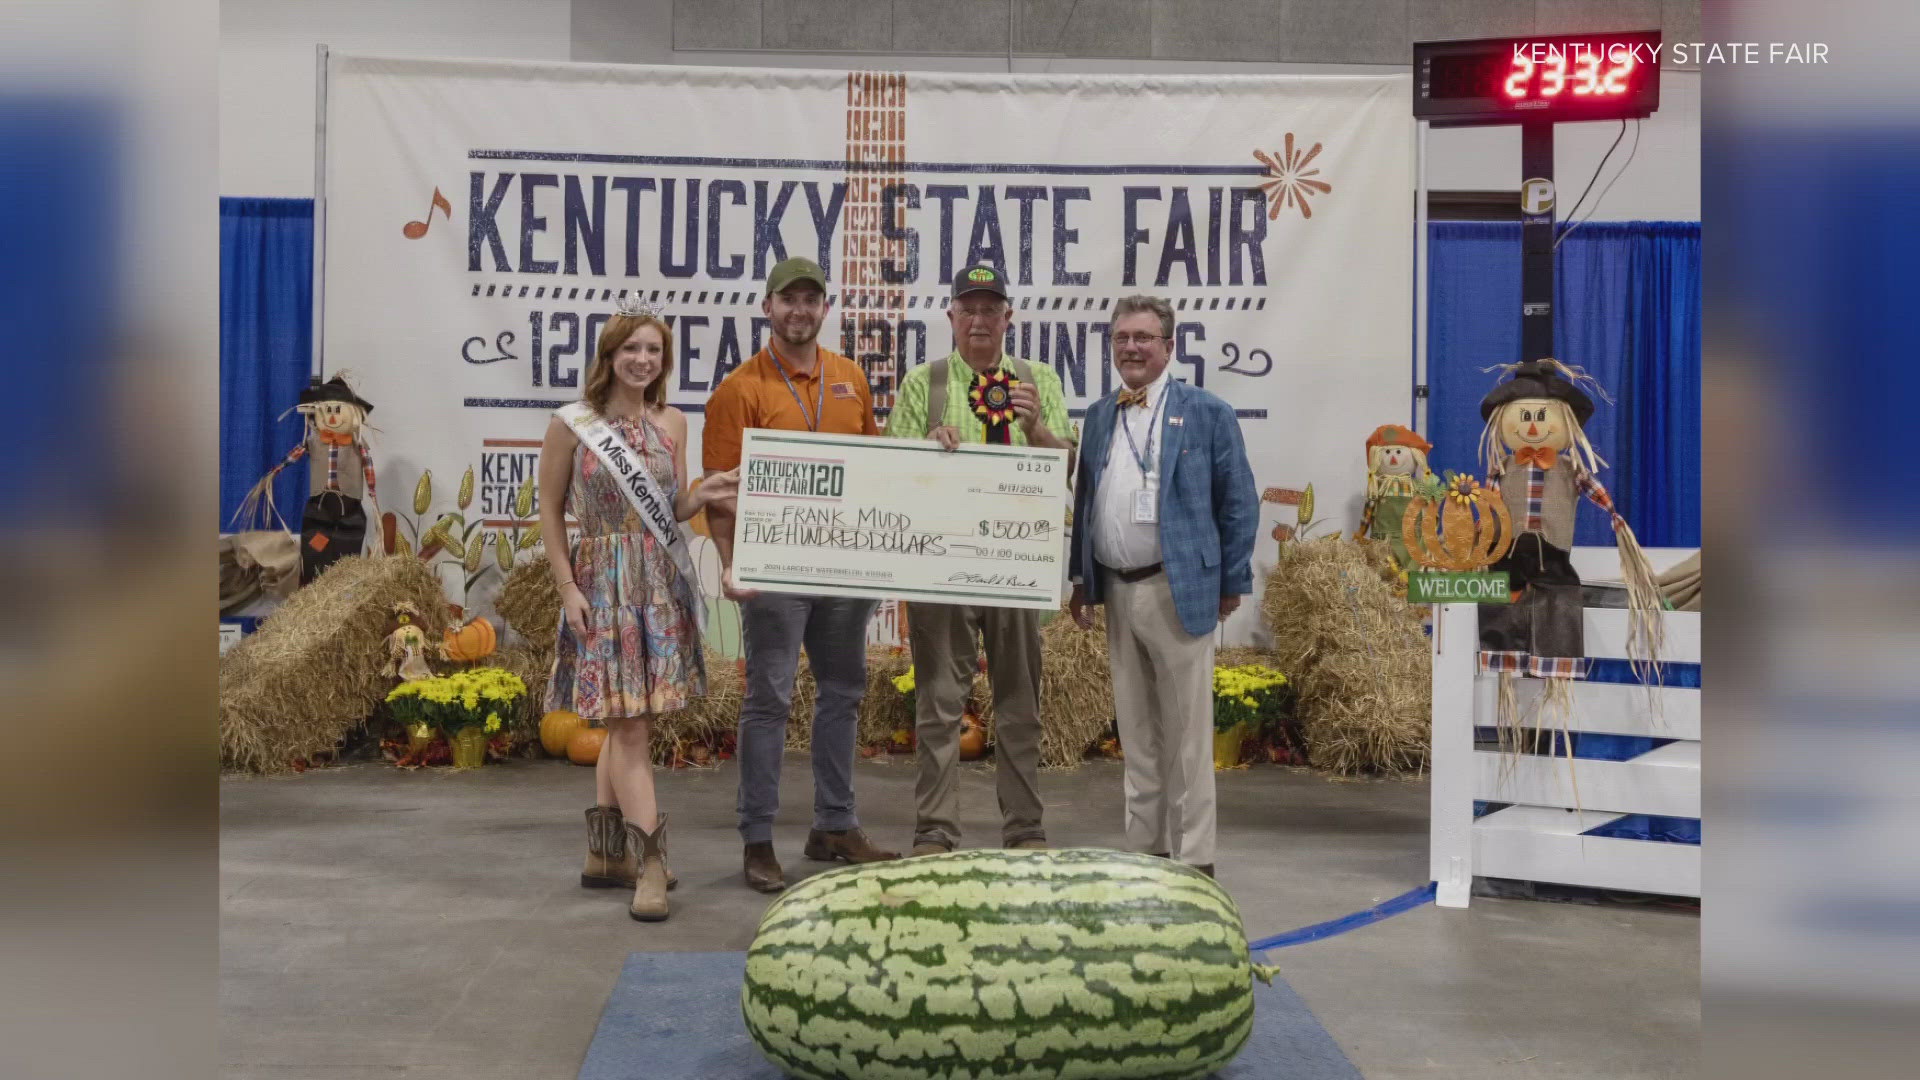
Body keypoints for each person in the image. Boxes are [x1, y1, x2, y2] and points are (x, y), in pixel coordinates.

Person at [701, 256, 901, 892]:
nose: (800, 311)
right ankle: (757, 840)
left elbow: (872, 464)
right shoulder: (739, 389)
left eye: (811, 300)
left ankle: (834, 825)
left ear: (824, 308)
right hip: (776, 570)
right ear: (768, 308)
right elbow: (720, 492)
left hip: (844, 567)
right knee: (769, 700)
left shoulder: (848, 377)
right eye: (789, 300)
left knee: (843, 692)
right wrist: (731, 564)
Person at [539, 299, 738, 922]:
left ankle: (606, 856)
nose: (643, 359)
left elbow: (669, 509)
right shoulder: (573, 423)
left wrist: (698, 496)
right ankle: (650, 863)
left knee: (634, 716)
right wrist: (568, 586)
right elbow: (549, 510)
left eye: (654, 351)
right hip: (602, 582)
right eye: (632, 349)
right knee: (628, 725)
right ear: (610, 356)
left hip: (657, 583)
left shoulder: (673, 423)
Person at [883, 262, 1076, 857]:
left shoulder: (1037, 379)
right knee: (940, 704)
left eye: (991, 309)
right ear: (951, 316)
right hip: (942, 569)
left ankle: (1024, 828)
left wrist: (1037, 428)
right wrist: (927, 447)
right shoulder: (925, 383)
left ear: (1008, 317)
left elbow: (1068, 464)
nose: (980, 319)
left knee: (1021, 701)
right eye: (969, 308)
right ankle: (935, 830)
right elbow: (893, 471)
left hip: (1016, 569)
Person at [1066, 295, 1258, 878]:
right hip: (1118, 591)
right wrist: (1082, 580)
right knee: (1136, 730)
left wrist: (1232, 579)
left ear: (1169, 347)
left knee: (1190, 735)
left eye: (1144, 337)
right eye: (1122, 337)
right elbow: (1087, 502)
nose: (1132, 347)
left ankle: (1197, 857)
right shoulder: (1100, 415)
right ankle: (1145, 850)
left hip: (1178, 589)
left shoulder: (1207, 412)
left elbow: (1238, 501)